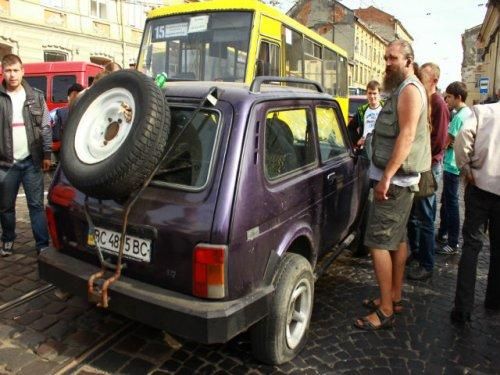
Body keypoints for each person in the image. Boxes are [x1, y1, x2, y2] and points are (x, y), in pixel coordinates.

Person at [354, 39, 431, 330]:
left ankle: (385, 309)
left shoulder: (410, 90)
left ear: (409, 61)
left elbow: (407, 136)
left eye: (394, 58)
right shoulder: (402, 88)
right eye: (386, 58)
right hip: (396, 179)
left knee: (377, 243)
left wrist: (385, 177)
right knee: (397, 240)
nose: (387, 62)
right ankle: (394, 295)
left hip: (395, 182)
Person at [450, 101, 500, 324]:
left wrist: (466, 167)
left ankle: (462, 308)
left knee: (471, 246)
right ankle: (495, 300)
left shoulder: (483, 111)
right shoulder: (481, 111)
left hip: (479, 185)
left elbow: (462, 138)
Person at [0, 54, 52, 256]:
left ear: (23, 71)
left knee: (36, 206)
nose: (12, 75)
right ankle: (8, 239)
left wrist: (47, 153)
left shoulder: (36, 96)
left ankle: (42, 245)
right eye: (8, 71)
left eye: (16, 70)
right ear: (3, 72)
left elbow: (45, 126)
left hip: (32, 161)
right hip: (5, 163)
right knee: (5, 207)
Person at [406, 62, 450, 280]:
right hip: (420, 164)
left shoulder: (439, 104)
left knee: (425, 216)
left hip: (430, 166)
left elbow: (440, 141)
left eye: (422, 76)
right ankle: (416, 253)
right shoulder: (424, 99)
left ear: (433, 80)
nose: (418, 79)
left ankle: (427, 262)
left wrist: (422, 155)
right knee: (415, 216)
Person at [436, 82, 472, 255]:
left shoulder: (458, 117)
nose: (447, 99)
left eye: (449, 96)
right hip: (457, 164)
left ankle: (452, 242)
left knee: (451, 204)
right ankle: (442, 232)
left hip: (451, 165)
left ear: (458, 97)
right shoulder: (468, 113)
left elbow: (447, 141)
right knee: (446, 201)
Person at [348, 80, 384, 159]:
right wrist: (357, 141)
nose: (372, 96)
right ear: (366, 94)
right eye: (370, 93)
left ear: (379, 94)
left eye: (374, 93)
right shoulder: (362, 111)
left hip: (381, 150)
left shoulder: (385, 110)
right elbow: (350, 128)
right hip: (365, 151)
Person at [52, 83, 84, 151]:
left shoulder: (60, 112)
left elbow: (56, 136)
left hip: (67, 151)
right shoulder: (88, 112)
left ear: (68, 97)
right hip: (83, 152)